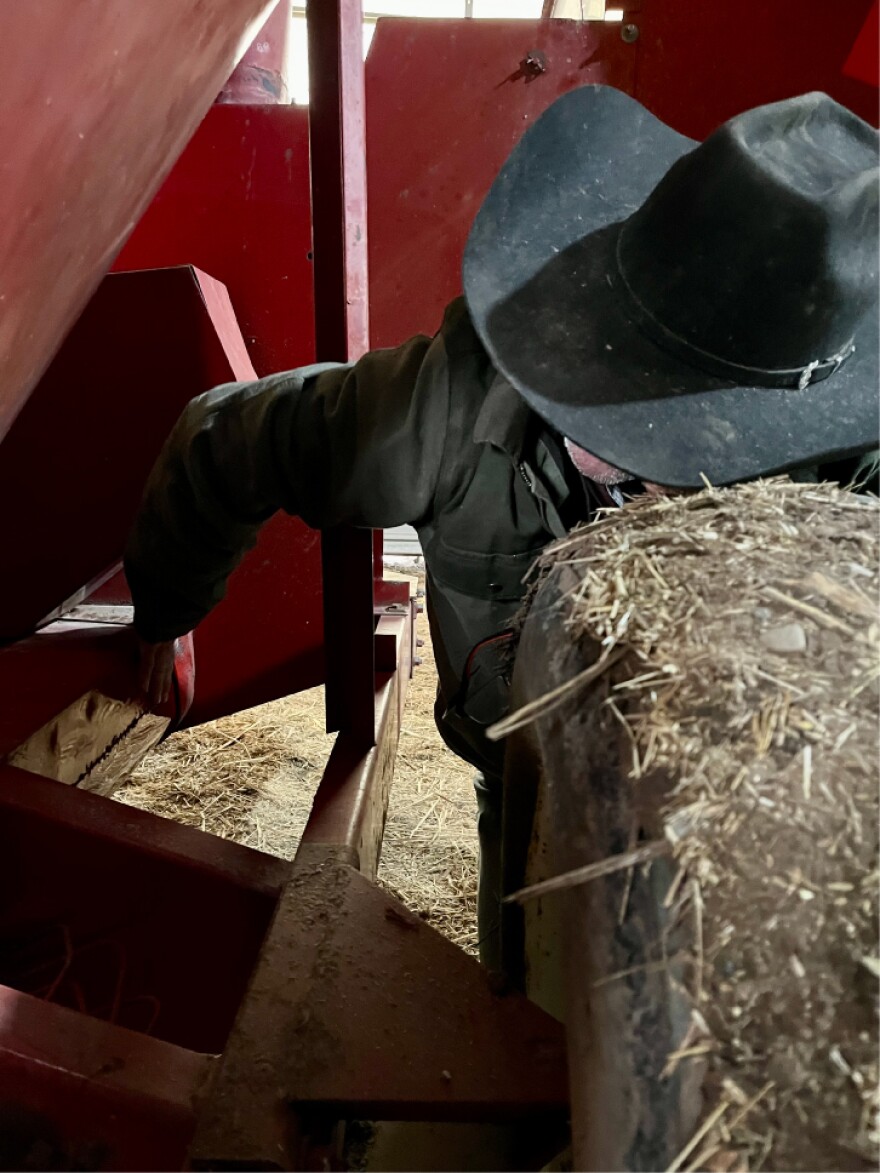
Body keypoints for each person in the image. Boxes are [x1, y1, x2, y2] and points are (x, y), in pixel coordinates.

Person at [125, 86, 879, 969]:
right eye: (597, 394)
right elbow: (227, 436)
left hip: (742, 844)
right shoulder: (442, 409)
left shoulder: (845, 478)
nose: (599, 441)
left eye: (652, 430)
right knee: (517, 989)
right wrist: (166, 614)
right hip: (519, 780)